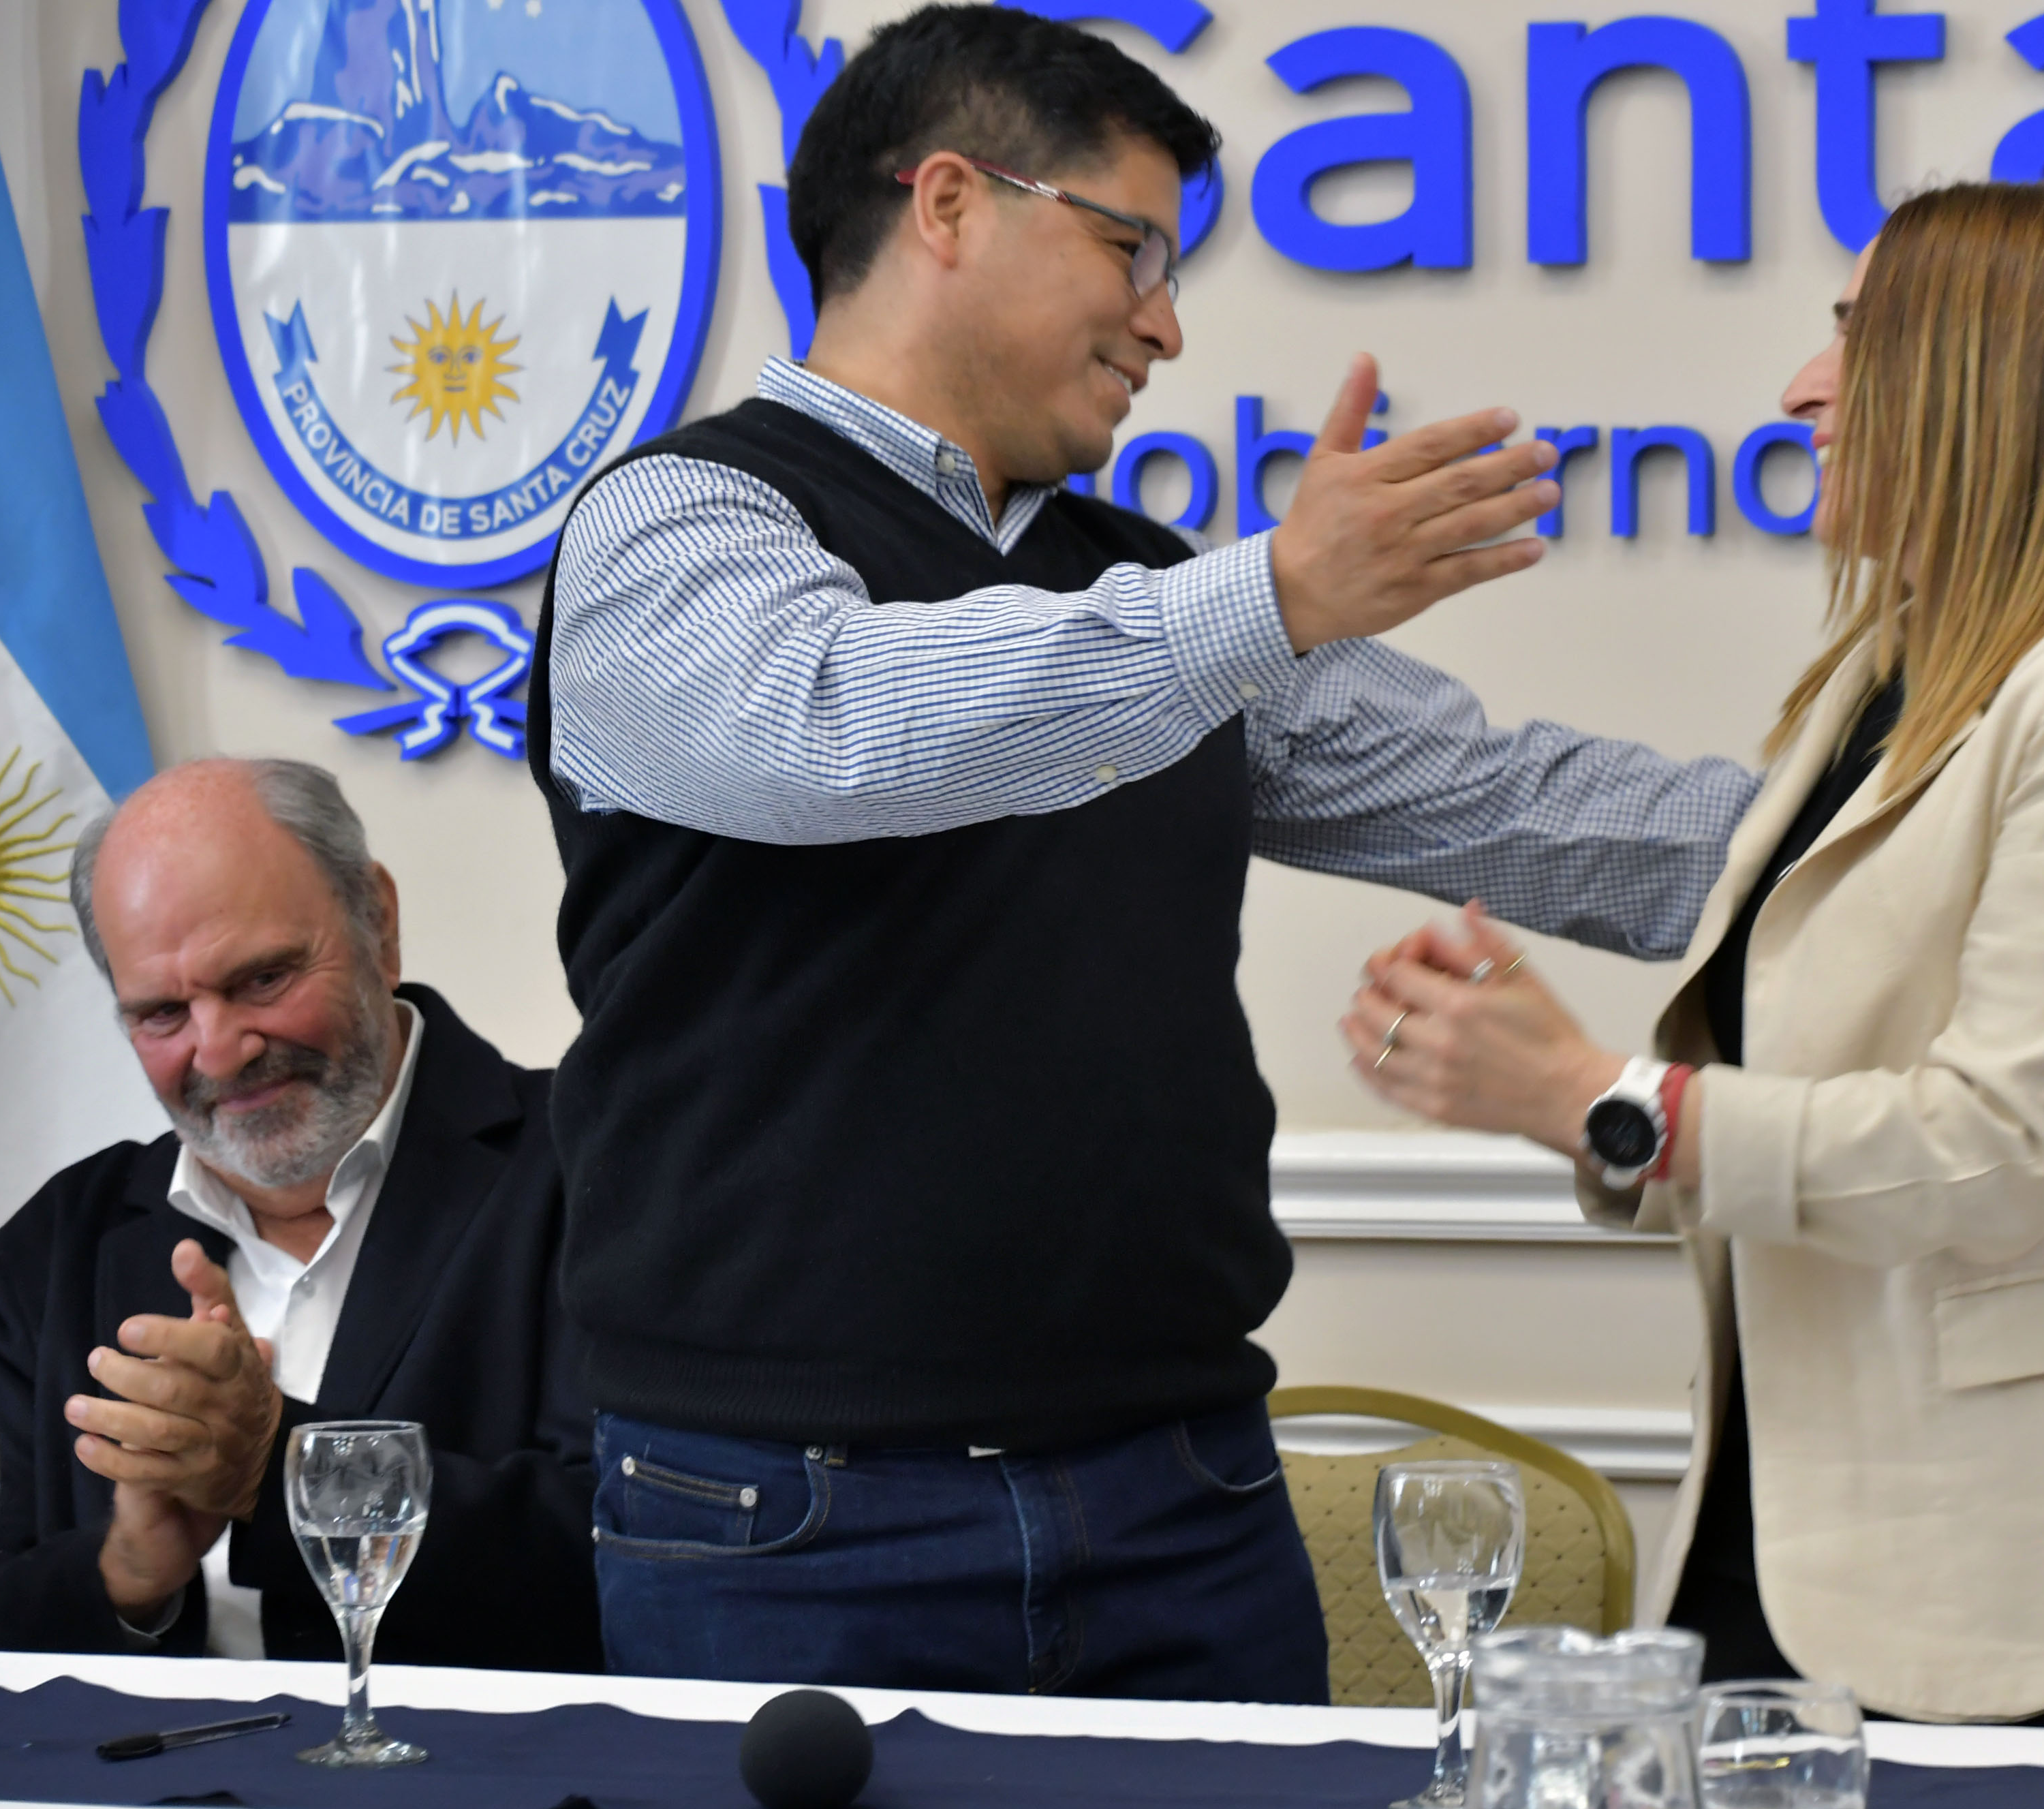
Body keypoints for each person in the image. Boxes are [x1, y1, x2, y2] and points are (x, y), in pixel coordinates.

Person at [531, 3, 1756, 1699]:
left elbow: (1516, 804)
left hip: (1182, 1489)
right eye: (1133, 250)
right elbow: (836, 725)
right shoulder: (682, 521)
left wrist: (1932, 823)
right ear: (947, 205)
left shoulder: (1154, 586)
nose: (1167, 325)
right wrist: (1262, 600)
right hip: (788, 1519)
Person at [1341, 179, 2044, 1727]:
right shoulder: (1882, 672)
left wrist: (1611, 1100)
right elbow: (1799, 1092)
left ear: (1997, 378)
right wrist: (1578, 1095)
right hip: (1800, 1555)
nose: (1805, 388)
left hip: (2040, 1602)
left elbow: (1994, 1149)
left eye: (1859, 337)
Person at [0, 759, 595, 1669]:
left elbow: (637, 1554)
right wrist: (128, 1573)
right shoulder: (59, 1244)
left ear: (379, 921)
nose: (220, 1051)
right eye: (164, 1012)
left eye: (261, 980)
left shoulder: (598, 1172)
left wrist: (274, 1465)